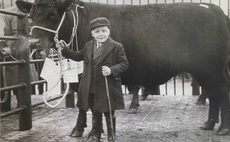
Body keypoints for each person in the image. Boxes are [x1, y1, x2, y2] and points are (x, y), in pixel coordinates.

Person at [61, 17, 129, 142]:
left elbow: (124, 64)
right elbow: (78, 56)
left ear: (109, 32)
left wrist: (111, 70)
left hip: (107, 85)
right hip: (90, 85)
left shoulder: (116, 47)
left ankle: (111, 135)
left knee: (108, 110)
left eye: (103, 31)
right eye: (97, 31)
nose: (101, 34)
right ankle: (95, 134)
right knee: (95, 110)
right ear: (92, 33)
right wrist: (65, 51)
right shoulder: (88, 45)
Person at [1, 4, 38, 111]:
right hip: (11, 50)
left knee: (18, 79)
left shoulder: (20, 11)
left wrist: (9, 47)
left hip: (16, 50)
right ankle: (11, 105)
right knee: (9, 79)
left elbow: (21, 33)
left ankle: (21, 105)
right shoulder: (9, 12)